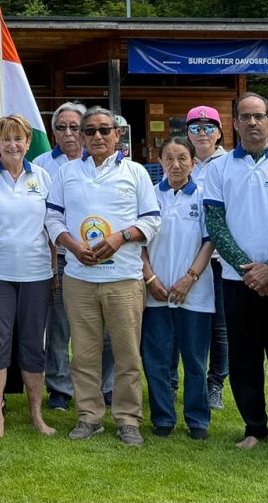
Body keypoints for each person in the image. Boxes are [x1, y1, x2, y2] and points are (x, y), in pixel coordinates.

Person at [44, 105, 159, 447]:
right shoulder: (66, 174)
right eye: (89, 131)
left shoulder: (136, 172)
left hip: (123, 276)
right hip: (79, 276)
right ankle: (89, 416)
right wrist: (71, 246)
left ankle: (127, 419)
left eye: (103, 130)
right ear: (80, 136)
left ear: (117, 134)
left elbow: (152, 220)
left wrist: (120, 237)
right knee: (84, 353)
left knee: (126, 354)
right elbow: (52, 219)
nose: (97, 136)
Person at [201, 92, 268, 453]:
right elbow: (215, 223)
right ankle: (254, 427)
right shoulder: (218, 168)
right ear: (234, 124)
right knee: (244, 358)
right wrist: (249, 270)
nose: (252, 123)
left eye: (258, 116)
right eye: (244, 117)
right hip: (236, 279)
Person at [0, 114, 56, 438]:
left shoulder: (43, 177)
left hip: (36, 273)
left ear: (28, 143)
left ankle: (37, 415)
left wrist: (54, 270)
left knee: (34, 345)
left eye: (19, 138)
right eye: (6, 139)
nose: (13, 144)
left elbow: (51, 227)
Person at [140, 137, 214, 440]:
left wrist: (189, 278)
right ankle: (163, 418)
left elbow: (210, 241)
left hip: (194, 295)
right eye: (169, 158)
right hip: (155, 293)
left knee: (195, 362)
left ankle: (197, 420)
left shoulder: (204, 197)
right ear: (160, 163)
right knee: (156, 359)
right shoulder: (148, 197)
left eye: (183, 158)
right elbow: (139, 243)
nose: (176, 164)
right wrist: (149, 279)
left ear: (193, 162)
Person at [31, 101, 87, 413]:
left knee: (98, 329)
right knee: (58, 328)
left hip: (97, 257)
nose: (68, 133)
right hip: (59, 257)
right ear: (53, 132)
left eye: (74, 127)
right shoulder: (41, 164)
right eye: (61, 127)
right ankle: (60, 388)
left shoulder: (99, 162)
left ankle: (103, 387)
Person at [185, 105, 230, 412]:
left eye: (208, 127)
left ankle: (216, 383)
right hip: (188, 256)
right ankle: (187, 381)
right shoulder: (181, 163)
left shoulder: (229, 163)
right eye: (195, 128)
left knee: (221, 326)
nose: (202, 133)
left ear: (220, 132)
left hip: (220, 258)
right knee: (188, 319)